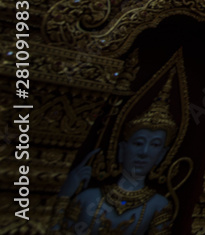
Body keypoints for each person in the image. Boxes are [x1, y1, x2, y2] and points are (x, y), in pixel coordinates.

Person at [59, 81, 176, 234]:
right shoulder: (88, 198)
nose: (144, 152)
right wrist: (64, 196)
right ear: (122, 150)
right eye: (138, 143)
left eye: (155, 145)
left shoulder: (158, 206)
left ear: (161, 155)